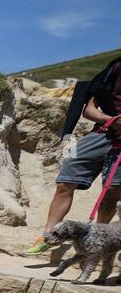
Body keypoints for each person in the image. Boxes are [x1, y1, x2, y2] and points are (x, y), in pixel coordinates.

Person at [27, 54, 121, 255]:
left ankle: (98, 239)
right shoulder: (111, 72)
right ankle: (48, 234)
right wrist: (110, 119)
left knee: (112, 190)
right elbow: (89, 110)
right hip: (101, 131)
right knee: (65, 180)